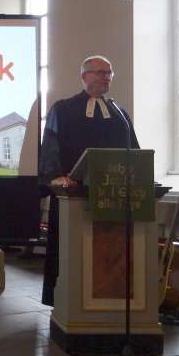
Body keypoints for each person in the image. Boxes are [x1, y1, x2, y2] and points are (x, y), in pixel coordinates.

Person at [39, 55, 140, 306]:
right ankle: (65, 300)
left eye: (109, 73)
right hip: (72, 195)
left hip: (112, 199)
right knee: (70, 252)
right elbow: (50, 147)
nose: (106, 77)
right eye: (100, 72)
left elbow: (134, 152)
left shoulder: (119, 113)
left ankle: (109, 301)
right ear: (84, 76)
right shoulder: (62, 109)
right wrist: (55, 176)